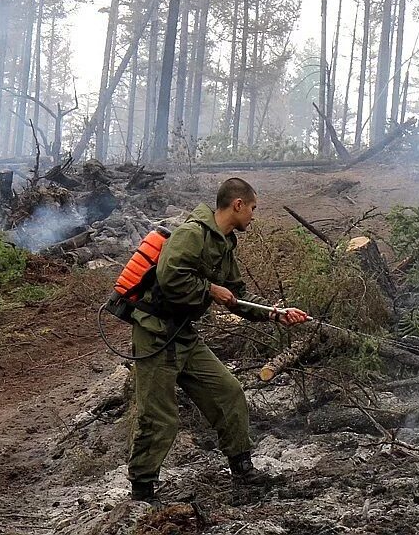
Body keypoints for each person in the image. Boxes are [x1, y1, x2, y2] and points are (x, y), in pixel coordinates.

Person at [126, 177, 309, 505]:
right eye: (252, 208)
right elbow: (170, 277)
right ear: (237, 205)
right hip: (155, 334)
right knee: (160, 417)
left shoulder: (223, 243)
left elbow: (237, 295)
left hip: (183, 334)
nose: (253, 215)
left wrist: (275, 313)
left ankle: (242, 469)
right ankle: (142, 492)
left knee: (228, 392)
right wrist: (210, 289)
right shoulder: (192, 233)